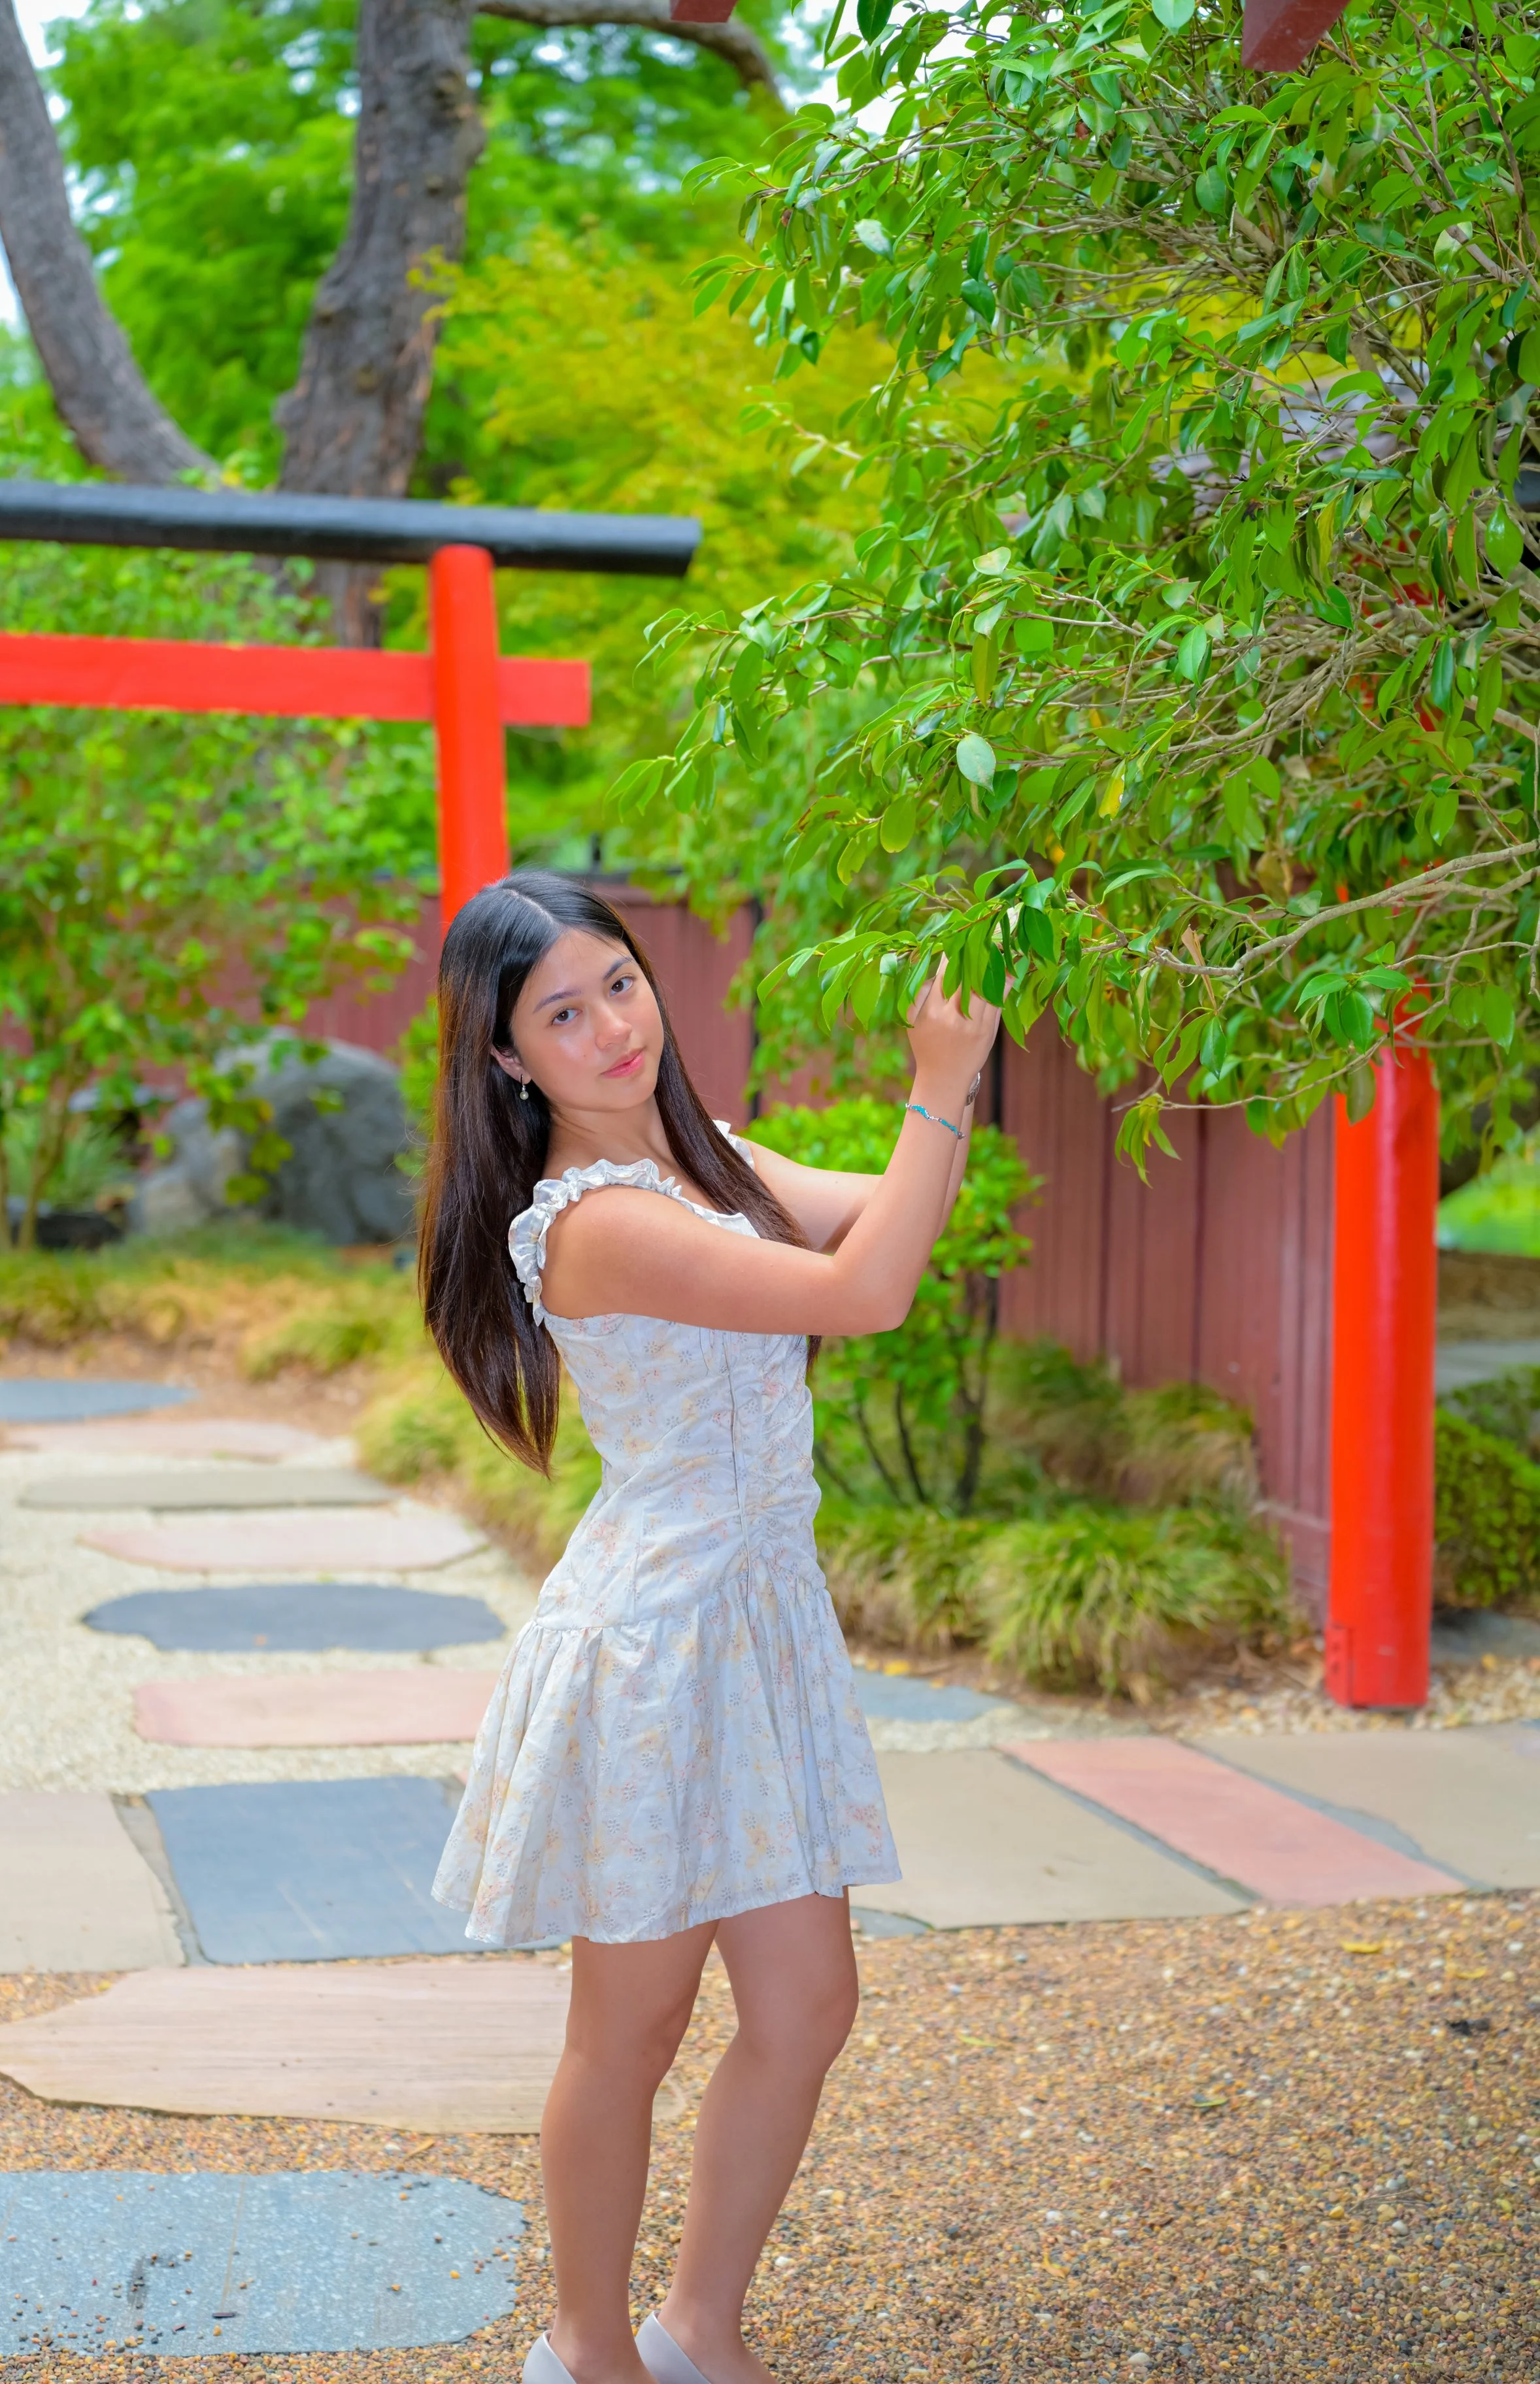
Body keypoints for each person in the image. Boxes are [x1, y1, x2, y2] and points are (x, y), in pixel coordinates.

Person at [419, 871, 999, 2384]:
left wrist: (920, 1135)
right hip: (657, 1646)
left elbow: (869, 1224)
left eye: (617, 982)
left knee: (807, 2006)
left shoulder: (703, 1162)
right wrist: (935, 1091)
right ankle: (585, 2345)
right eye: (561, 1012)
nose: (611, 1025)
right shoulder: (593, 1224)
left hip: (753, 1626)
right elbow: (862, 1293)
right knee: (633, 2027)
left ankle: (697, 2329)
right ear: (507, 1061)